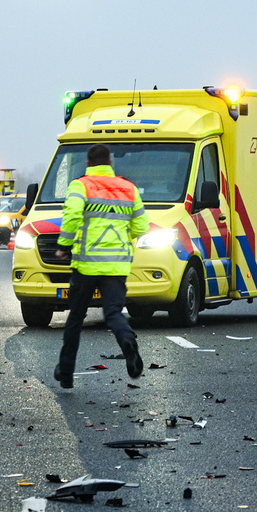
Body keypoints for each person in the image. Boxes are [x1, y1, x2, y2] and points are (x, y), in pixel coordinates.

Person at [53, 144, 149, 389]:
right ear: (110, 163)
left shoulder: (80, 185)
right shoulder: (129, 188)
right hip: (116, 266)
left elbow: (72, 216)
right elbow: (140, 227)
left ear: (88, 162)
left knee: (75, 318)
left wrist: (64, 245)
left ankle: (66, 373)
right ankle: (127, 339)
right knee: (114, 314)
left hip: (86, 266)